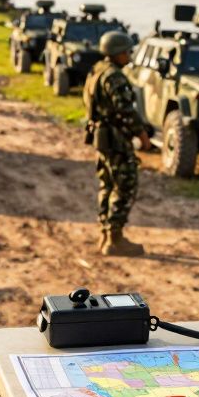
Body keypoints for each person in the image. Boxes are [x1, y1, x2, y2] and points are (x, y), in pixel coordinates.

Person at [82, 31, 151, 256]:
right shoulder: (115, 77)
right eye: (126, 51)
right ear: (116, 52)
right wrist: (141, 133)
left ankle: (105, 233)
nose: (129, 55)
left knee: (107, 184)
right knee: (125, 185)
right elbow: (125, 110)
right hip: (116, 139)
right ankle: (115, 238)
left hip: (102, 137)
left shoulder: (97, 70)